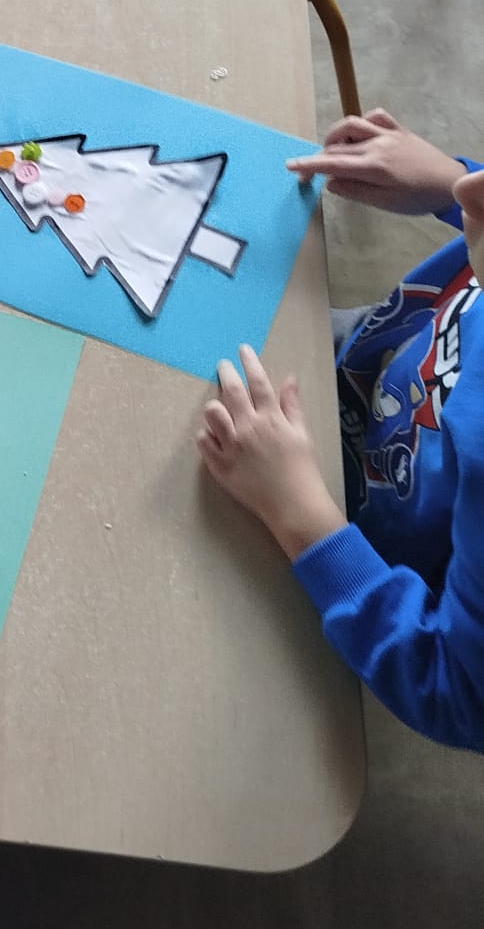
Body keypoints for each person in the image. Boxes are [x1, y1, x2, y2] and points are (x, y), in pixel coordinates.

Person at [196, 108, 484, 750]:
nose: (474, 193)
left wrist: (299, 513)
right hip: (366, 367)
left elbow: (457, 690)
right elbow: (469, 188)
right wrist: (447, 180)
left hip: (354, 542)